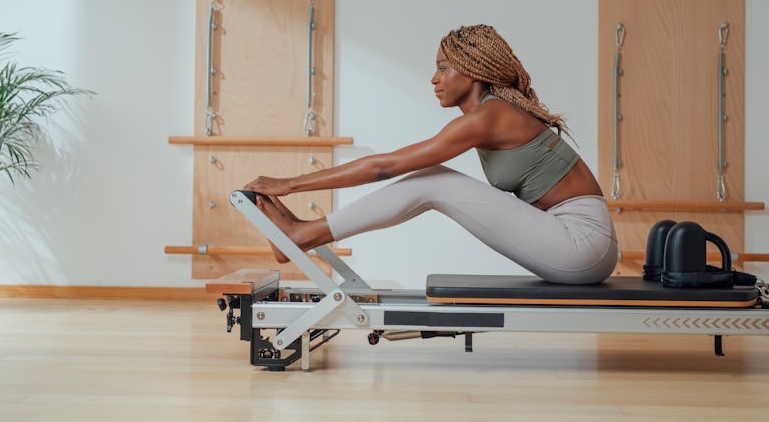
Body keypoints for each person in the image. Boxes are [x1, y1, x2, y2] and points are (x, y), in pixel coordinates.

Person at [244, 24, 618, 284]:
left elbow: (385, 167)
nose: (434, 78)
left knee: (434, 179)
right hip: (575, 243)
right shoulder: (490, 113)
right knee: (435, 179)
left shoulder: (490, 116)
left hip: (582, 245)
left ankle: (302, 234)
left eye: (443, 68)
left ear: (473, 72)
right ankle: (302, 234)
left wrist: (290, 184)